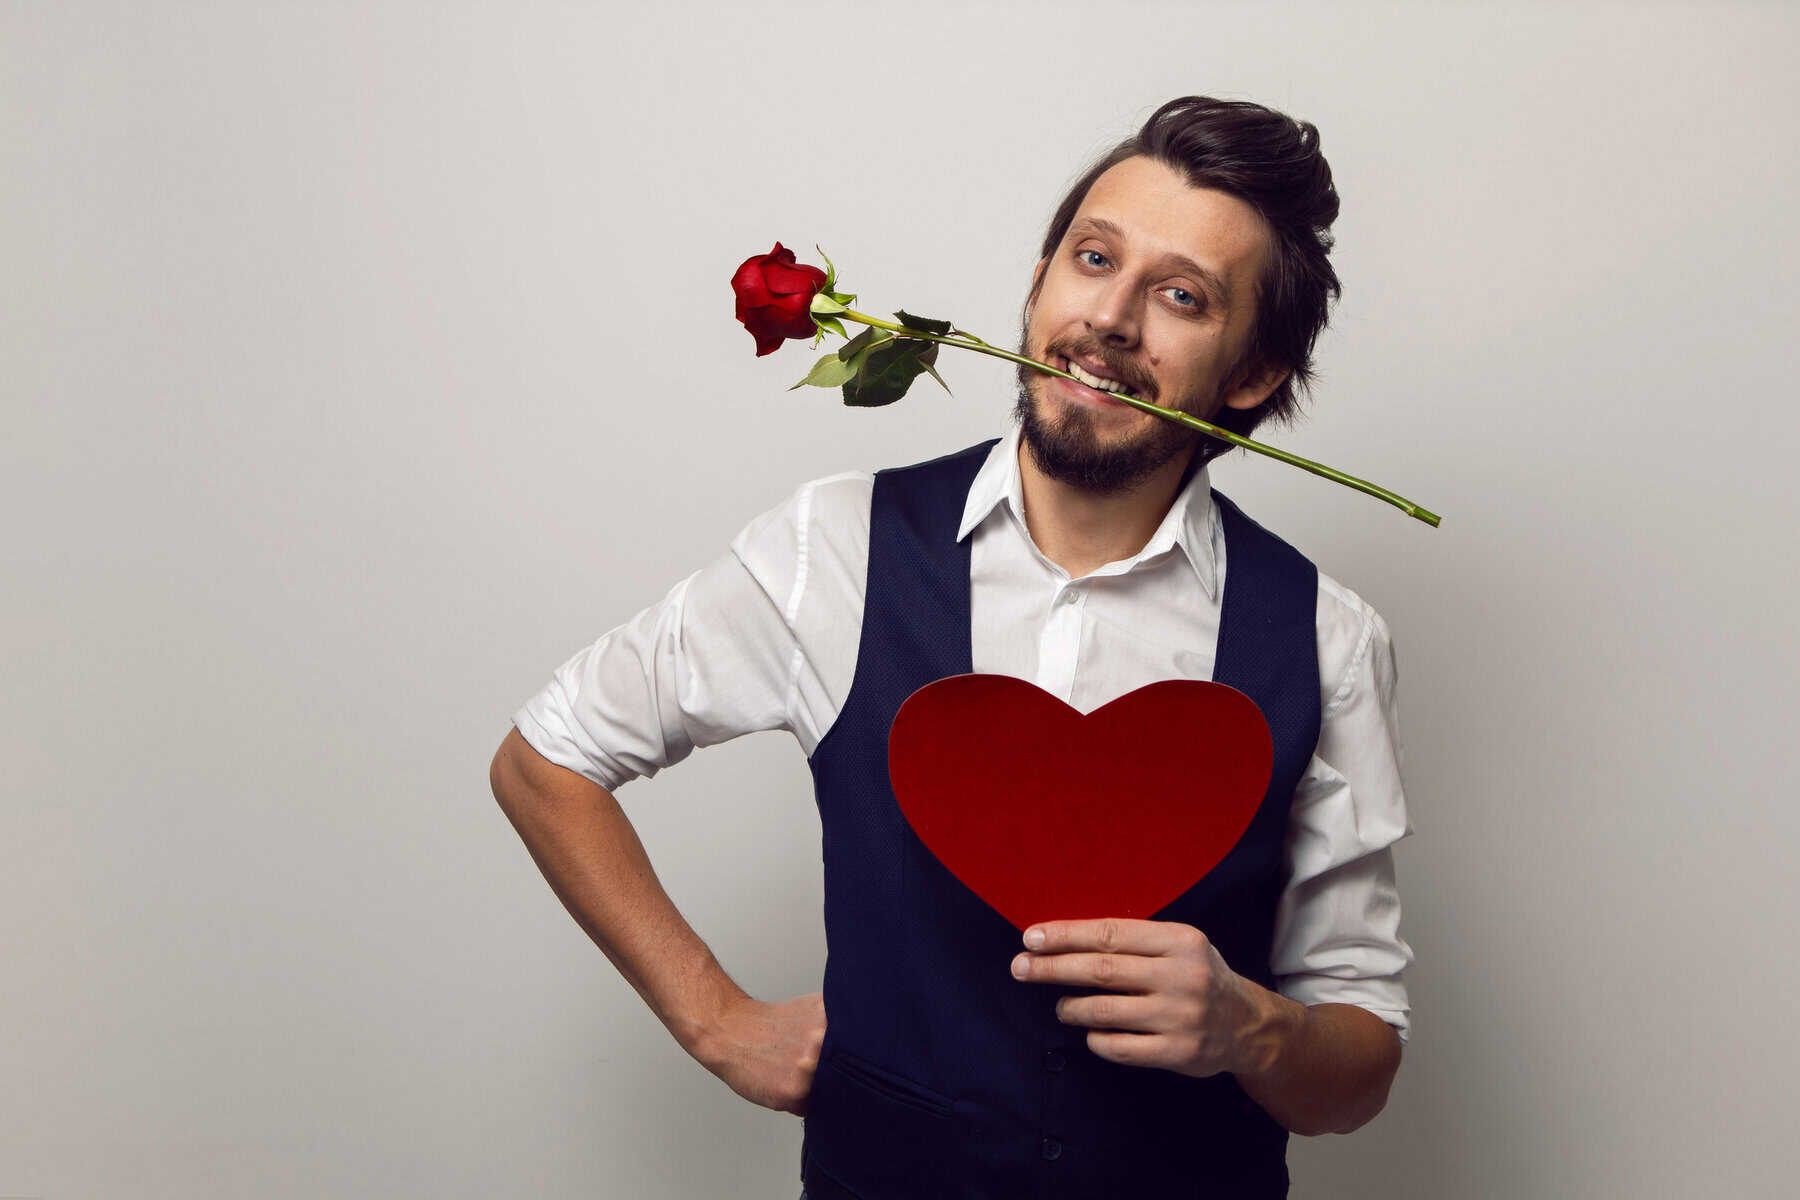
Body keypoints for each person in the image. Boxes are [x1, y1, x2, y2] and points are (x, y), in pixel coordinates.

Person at [490, 95, 1413, 1198]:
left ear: (1252, 375)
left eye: (1180, 296)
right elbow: (544, 759)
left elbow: (1357, 1073)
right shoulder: (832, 549)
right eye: (1091, 258)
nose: (1111, 318)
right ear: (1037, 284)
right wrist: (714, 1019)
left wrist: (1248, 1028)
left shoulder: (1324, 637)